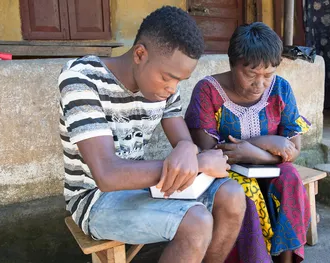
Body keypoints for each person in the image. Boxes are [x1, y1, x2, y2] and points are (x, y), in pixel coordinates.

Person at [58, 6, 246, 263]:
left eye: (180, 81)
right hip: (94, 199)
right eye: (168, 78)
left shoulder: (165, 89)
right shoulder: (82, 78)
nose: (172, 88)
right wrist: (200, 161)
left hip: (144, 187)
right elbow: (107, 175)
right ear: (140, 54)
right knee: (196, 222)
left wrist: (186, 148)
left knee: (232, 196)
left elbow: (183, 141)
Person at [185, 22, 311, 263]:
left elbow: (293, 150)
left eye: (268, 74)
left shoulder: (281, 89)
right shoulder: (208, 91)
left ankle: (286, 260)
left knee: (291, 178)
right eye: (251, 74)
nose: (260, 83)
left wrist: (252, 151)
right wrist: (269, 143)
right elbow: (213, 153)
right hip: (223, 173)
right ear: (233, 64)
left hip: (269, 166)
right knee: (246, 192)